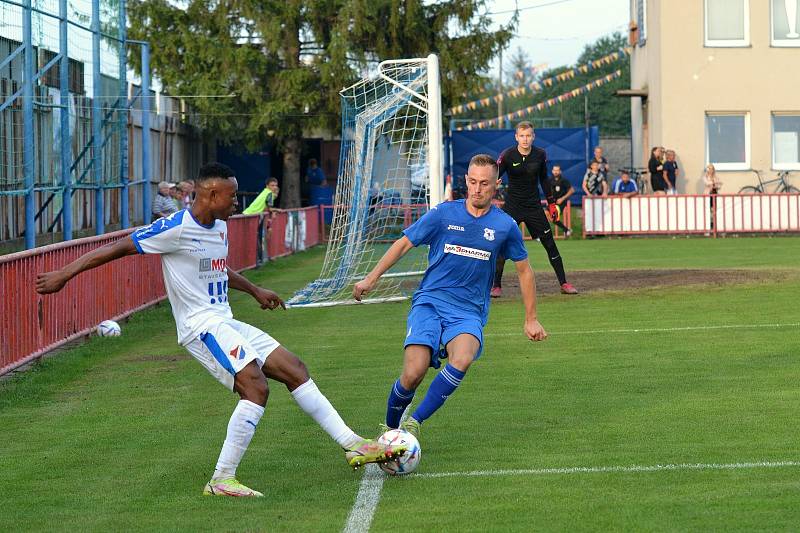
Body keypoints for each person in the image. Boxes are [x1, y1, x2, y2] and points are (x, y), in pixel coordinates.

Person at [35, 162, 405, 498]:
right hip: (200, 327)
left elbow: (218, 268)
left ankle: (353, 443)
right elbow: (117, 248)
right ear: (210, 194)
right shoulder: (175, 227)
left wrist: (255, 289)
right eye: (231, 196)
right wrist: (64, 275)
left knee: (294, 368)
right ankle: (222, 479)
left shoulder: (221, 227)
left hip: (224, 319)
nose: (235, 203)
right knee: (255, 387)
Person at [352, 154, 548, 440]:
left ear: (496, 185)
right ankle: (390, 428)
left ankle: (414, 422)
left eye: (484, 183)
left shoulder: (505, 226)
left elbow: (525, 271)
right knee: (413, 373)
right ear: (466, 182)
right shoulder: (443, 214)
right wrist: (370, 279)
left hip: (468, 311)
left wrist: (531, 319)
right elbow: (404, 243)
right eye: (472, 182)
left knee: (463, 357)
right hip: (430, 303)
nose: (477, 189)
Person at [491, 121, 578, 297]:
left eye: (528, 135)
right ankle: (496, 286)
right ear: (516, 137)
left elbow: (544, 180)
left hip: (534, 207)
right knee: (501, 244)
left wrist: (551, 203)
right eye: (522, 135)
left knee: (549, 243)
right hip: (513, 206)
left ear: (533, 137)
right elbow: (495, 176)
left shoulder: (540, 154)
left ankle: (564, 283)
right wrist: (492, 184)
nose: (525, 139)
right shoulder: (508, 155)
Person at [549, 164, 574, 237]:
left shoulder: (564, 180)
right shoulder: (550, 180)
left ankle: (566, 230)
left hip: (560, 203)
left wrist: (562, 198)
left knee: (553, 217)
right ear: (552, 171)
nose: (556, 172)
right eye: (554, 170)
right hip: (552, 202)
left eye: (557, 170)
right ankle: (567, 230)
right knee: (546, 215)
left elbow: (572, 190)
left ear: (560, 171)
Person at [702, 163, 722, 229]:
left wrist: (715, 184)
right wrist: (714, 183)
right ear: (707, 170)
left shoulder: (716, 177)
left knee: (715, 209)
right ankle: (708, 225)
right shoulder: (705, 177)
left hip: (715, 194)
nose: (711, 170)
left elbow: (719, 185)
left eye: (712, 169)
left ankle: (715, 224)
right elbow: (707, 183)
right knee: (708, 209)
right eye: (710, 168)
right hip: (708, 194)